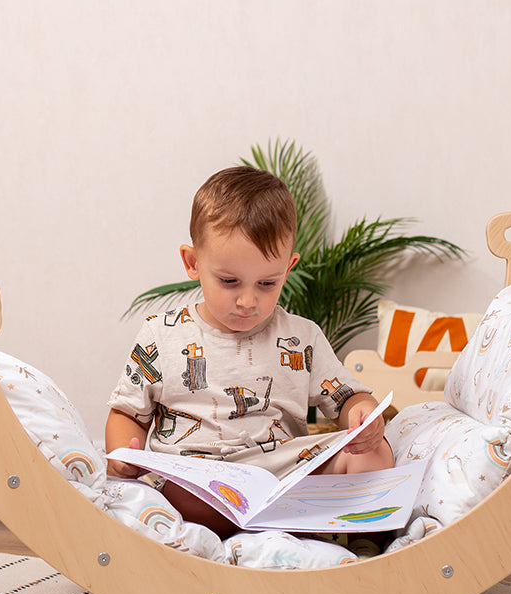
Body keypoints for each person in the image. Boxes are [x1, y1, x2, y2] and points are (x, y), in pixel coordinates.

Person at [106, 165, 394, 537]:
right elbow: (127, 411)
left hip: (281, 477)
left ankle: (356, 534)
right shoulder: (162, 334)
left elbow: (346, 397)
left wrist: (362, 418)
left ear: (288, 268)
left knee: (374, 453)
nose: (247, 300)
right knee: (163, 492)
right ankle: (250, 528)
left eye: (267, 283)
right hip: (196, 482)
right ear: (193, 263)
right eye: (229, 281)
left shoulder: (301, 336)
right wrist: (122, 456)